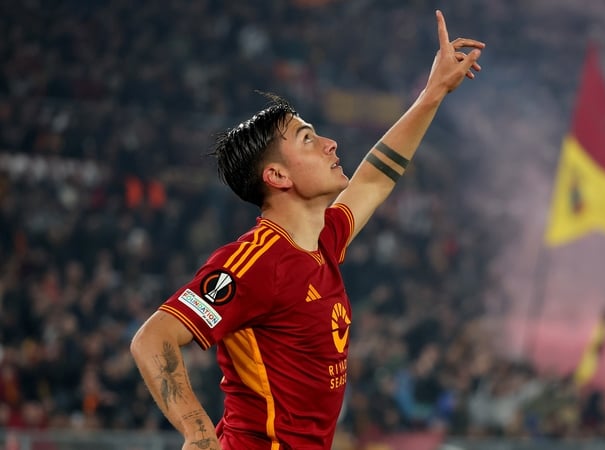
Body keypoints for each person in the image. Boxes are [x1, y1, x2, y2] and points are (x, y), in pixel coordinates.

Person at [129, 10, 484, 450]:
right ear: (278, 176)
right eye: (308, 139)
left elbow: (373, 179)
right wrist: (199, 437)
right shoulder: (253, 263)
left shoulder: (324, 241)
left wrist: (433, 93)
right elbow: (153, 338)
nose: (330, 144)